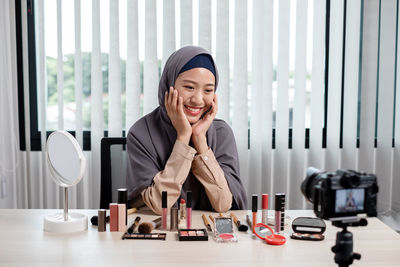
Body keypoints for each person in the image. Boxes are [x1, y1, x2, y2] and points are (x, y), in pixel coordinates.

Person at [126, 46, 247, 215]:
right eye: (189, 87)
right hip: (162, 232)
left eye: (208, 90)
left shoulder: (222, 133)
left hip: (209, 235)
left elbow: (223, 204)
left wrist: (200, 140)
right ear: (169, 86)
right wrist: (183, 138)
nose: (198, 100)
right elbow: (160, 204)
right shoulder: (141, 133)